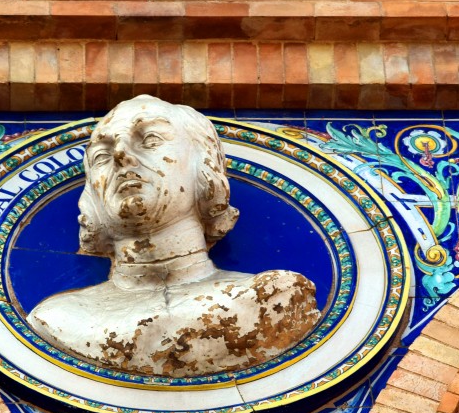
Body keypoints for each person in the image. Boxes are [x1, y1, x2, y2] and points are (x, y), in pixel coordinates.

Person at [28, 95, 320, 378]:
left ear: (205, 165)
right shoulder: (58, 319)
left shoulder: (270, 298)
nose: (121, 156)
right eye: (102, 156)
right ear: (91, 193)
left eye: (151, 140)